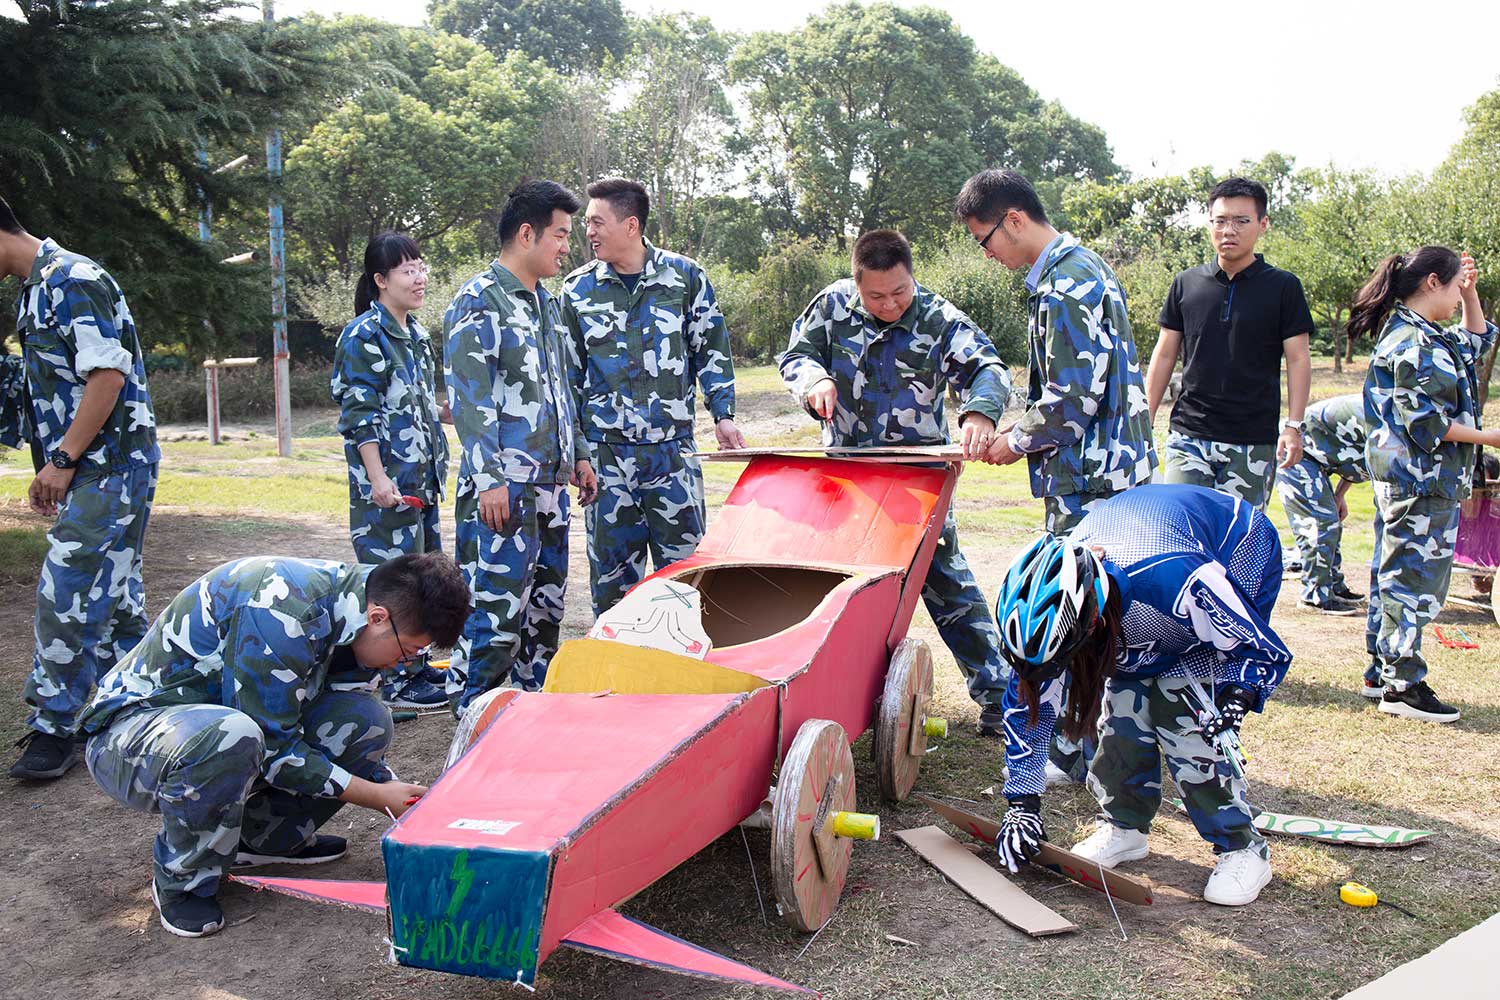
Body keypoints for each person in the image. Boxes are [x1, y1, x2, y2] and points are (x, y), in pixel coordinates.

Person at [77, 552, 470, 938]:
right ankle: (182, 880)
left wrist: (412, 805)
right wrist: (376, 795)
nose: (404, 665)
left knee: (366, 721)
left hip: (222, 727)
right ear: (378, 618)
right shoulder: (282, 608)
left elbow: (331, 708)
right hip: (133, 737)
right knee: (234, 735)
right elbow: (273, 747)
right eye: (408, 652)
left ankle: (266, 838)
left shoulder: (366, 604)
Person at [992, 484, 1291, 906]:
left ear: (1091, 619)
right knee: (1123, 709)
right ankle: (1125, 826)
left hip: (1235, 548)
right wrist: (1022, 802)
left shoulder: (1181, 583)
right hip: (1137, 594)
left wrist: (1238, 693)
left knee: (1182, 708)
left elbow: (1257, 646)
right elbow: (1029, 709)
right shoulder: (1047, 605)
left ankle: (1242, 847)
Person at [779, 228, 1012, 733]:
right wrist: (814, 379)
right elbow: (795, 356)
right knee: (844, 590)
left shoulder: (936, 316)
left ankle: (999, 697)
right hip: (848, 477)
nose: (889, 305)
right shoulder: (831, 307)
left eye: (899, 292)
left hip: (919, 482)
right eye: (876, 296)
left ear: (912, 277)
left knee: (947, 584)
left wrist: (980, 413)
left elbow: (988, 367)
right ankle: (833, 695)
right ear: (857, 283)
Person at [0, 193, 160, 782]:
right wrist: (54, 460)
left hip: (110, 463)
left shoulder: (72, 277)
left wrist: (64, 458)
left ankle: (55, 727)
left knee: (67, 587)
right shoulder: (36, 288)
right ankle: (145, 700)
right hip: (96, 465)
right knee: (115, 597)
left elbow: (107, 376)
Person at [444, 181, 597, 711]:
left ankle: (532, 712)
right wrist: (489, 479)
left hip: (550, 487)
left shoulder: (547, 306)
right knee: (497, 612)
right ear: (526, 233)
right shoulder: (477, 301)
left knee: (545, 609)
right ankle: (476, 716)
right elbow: (470, 399)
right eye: (559, 235)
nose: (565, 247)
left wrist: (579, 454)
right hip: (504, 490)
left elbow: (561, 389)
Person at [562, 178, 743, 617]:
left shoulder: (684, 278)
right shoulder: (576, 291)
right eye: (587, 223)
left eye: (596, 222)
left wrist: (723, 414)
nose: (589, 232)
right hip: (607, 461)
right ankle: (619, 679)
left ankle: (690, 677)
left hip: (672, 454)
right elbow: (566, 379)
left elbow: (711, 347)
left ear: (631, 225)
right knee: (612, 589)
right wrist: (578, 451)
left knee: (688, 582)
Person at [955, 168, 1155, 534]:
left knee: (1085, 588)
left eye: (984, 241)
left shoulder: (1061, 286)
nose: (987, 254)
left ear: (1014, 220)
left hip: (1090, 483)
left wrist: (1015, 443)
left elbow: (1072, 397)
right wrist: (1020, 427)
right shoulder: (1088, 265)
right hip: (1118, 469)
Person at [1353, 248, 1494, 722]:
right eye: (1456, 288)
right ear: (1433, 282)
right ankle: (1402, 684)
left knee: (1397, 574)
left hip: (1418, 481)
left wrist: (1473, 295)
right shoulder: (1415, 343)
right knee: (1413, 582)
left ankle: (1383, 671)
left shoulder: (1426, 335)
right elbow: (1427, 424)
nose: (1459, 298)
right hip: (1421, 482)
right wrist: (1488, 437)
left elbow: (1475, 341)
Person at [331, 231, 450, 709]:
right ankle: (396, 684)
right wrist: (378, 478)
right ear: (381, 280)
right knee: (392, 584)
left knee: (421, 579)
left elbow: (417, 406)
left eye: (421, 266)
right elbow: (359, 417)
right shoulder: (364, 335)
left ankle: (414, 670)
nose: (419, 277)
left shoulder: (416, 334)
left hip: (422, 484)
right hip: (388, 489)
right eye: (407, 269)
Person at [1146, 177, 1314, 510]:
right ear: (1209, 223)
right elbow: (1165, 354)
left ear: (1262, 224)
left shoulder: (1283, 288)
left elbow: (1298, 359)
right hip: (1188, 436)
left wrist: (1294, 426)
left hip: (1252, 441)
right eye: (1220, 221)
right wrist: (1143, 420)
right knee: (1182, 534)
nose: (1229, 230)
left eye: (1241, 221)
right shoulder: (1186, 283)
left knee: (1238, 542)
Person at [1274, 394, 1368, 615]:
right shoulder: (1379, 417)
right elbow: (1375, 458)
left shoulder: (1386, 415)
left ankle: (1333, 585)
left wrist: (1339, 495)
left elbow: (1359, 458)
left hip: (1318, 458)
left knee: (1331, 518)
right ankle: (1315, 596)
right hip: (1294, 451)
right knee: (1320, 521)